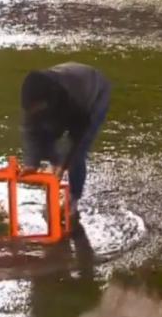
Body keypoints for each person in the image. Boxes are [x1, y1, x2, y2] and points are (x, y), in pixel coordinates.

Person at [19, 63, 111, 235]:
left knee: (77, 155)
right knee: (47, 131)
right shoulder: (34, 98)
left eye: (36, 108)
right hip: (65, 94)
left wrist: (64, 163)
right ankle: (55, 176)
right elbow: (31, 131)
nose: (33, 112)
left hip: (95, 94)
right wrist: (32, 162)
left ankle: (73, 199)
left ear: (45, 101)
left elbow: (78, 137)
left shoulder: (72, 99)